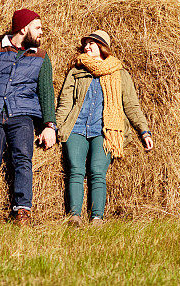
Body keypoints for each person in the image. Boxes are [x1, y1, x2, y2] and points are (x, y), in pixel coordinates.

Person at [0, 8, 57, 227]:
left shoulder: (41, 57)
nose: (41, 32)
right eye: (38, 27)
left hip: (22, 115)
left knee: (23, 160)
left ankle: (22, 211)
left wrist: (50, 125)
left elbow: (46, 93)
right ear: (24, 29)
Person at [55, 30, 153, 226]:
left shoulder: (120, 73)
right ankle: (74, 216)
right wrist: (54, 127)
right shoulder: (76, 72)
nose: (86, 47)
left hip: (105, 129)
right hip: (77, 127)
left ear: (102, 47)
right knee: (75, 170)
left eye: (92, 44)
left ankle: (97, 218)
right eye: (86, 44)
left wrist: (144, 130)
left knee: (97, 171)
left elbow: (132, 106)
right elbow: (65, 103)